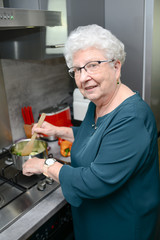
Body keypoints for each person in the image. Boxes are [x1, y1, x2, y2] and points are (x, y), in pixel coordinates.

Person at [22, 24, 160, 240]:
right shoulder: (99, 102)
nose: (84, 77)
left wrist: (45, 165)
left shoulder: (131, 118)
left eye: (93, 65)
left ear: (116, 67)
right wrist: (59, 130)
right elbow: (95, 136)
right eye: (77, 69)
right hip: (93, 220)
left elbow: (94, 182)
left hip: (120, 227)